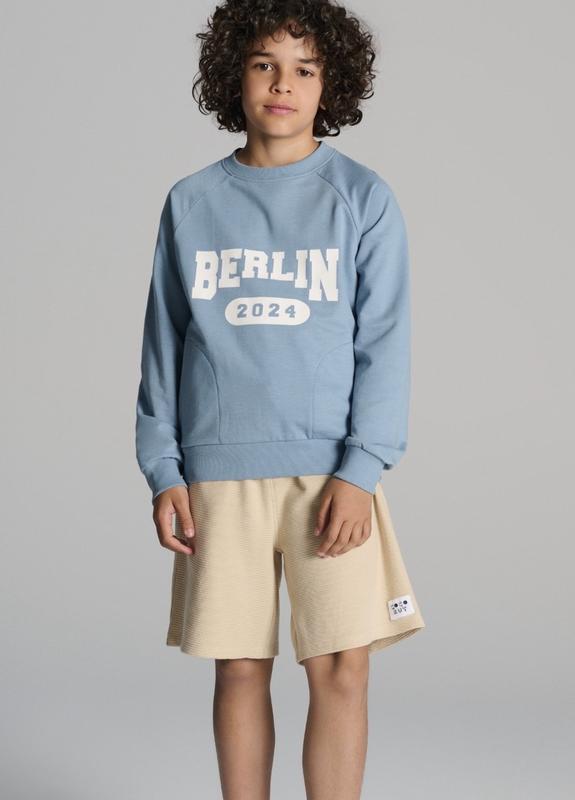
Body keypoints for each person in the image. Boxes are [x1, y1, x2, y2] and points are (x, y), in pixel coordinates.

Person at [135, 2, 426, 797]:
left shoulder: (360, 197)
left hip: (329, 477)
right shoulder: (191, 202)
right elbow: (163, 344)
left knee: (341, 666)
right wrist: (162, 469)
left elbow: (384, 343)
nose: (281, 84)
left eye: (303, 68)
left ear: (331, 85)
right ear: (233, 74)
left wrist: (361, 470)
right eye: (263, 64)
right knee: (238, 667)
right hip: (216, 473)